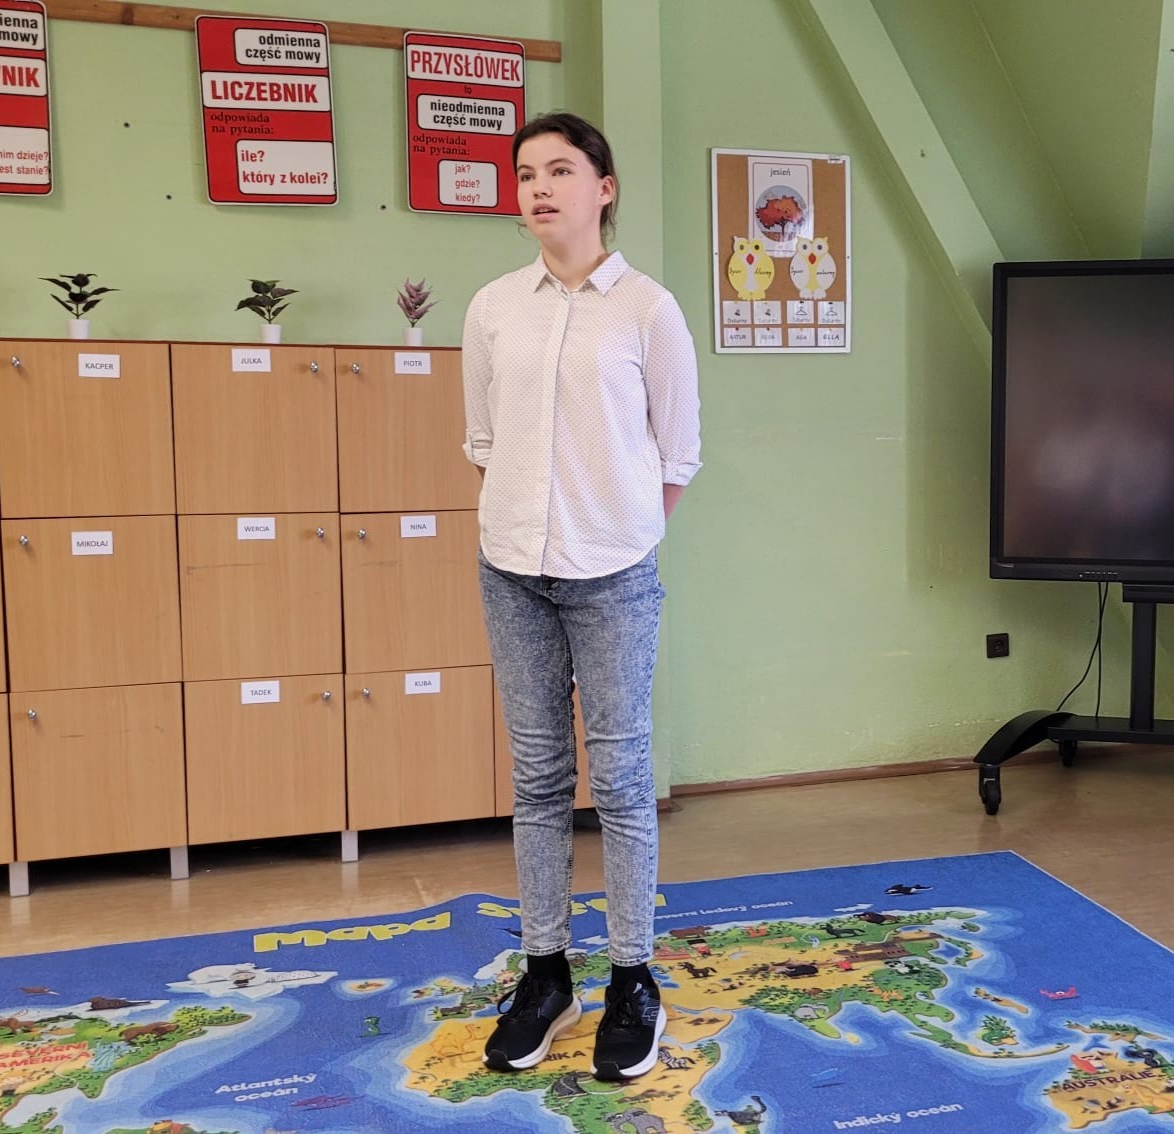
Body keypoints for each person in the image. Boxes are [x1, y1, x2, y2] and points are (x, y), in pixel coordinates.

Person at [460, 111, 702, 1082]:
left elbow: (677, 455)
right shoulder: (492, 308)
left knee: (624, 779)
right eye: (526, 174)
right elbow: (483, 441)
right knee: (537, 778)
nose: (539, 188)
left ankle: (634, 979)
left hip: (614, 576)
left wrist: (618, 534)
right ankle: (546, 973)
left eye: (560, 170)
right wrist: (531, 528)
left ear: (603, 188)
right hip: (512, 570)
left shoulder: (647, 310)